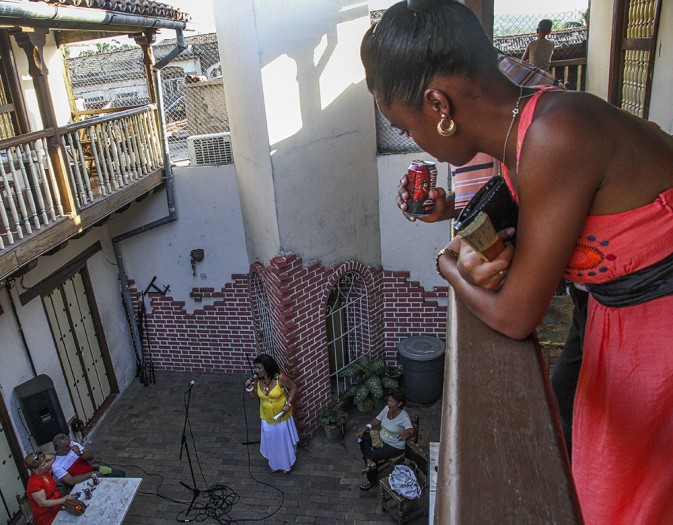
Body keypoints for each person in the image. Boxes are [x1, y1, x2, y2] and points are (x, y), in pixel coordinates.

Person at [361, 1, 673, 524]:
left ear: (438, 104)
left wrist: (448, 266)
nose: (414, 142)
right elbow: (532, 226)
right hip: (620, 321)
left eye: (403, 124)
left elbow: (515, 316)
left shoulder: (555, 134)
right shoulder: (522, 130)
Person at [245, 353, 299, 473]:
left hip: (281, 416)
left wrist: (288, 404)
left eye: (259, 368)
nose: (256, 370)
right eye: (256, 367)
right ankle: (274, 463)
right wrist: (249, 388)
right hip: (266, 416)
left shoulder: (279, 378)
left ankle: (286, 464)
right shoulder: (257, 381)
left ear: (267, 367)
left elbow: (293, 387)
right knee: (271, 440)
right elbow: (253, 397)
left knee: (282, 440)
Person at [355, 389, 415, 491]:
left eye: (392, 402)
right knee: (362, 436)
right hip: (380, 438)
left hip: (394, 445)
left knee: (372, 455)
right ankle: (370, 462)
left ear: (399, 403)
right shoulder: (387, 408)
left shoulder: (404, 416)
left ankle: (371, 479)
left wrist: (406, 433)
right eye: (389, 401)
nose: (389, 403)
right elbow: (376, 420)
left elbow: (411, 430)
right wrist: (366, 427)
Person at [51, 433, 125, 489]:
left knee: (120, 474)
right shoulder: (56, 465)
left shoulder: (74, 445)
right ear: (59, 449)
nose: (71, 446)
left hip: (92, 471)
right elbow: (71, 481)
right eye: (67, 446)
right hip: (82, 482)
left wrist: (80, 453)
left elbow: (91, 457)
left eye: (70, 443)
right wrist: (90, 474)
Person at [24, 451, 74, 525]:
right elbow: (43, 503)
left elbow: (53, 457)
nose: (46, 465)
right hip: (48, 516)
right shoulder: (34, 483)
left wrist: (40, 457)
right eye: (43, 465)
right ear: (34, 470)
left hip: (58, 506)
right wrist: (63, 500)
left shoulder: (44, 471)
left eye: (45, 463)